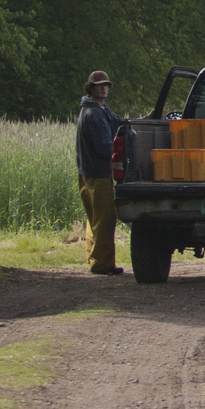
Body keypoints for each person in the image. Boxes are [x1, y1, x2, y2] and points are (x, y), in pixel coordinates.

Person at [74, 70, 125, 275]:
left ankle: (93, 258)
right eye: (99, 85)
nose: (104, 88)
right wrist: (123, 147)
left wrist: (141, 120)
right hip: (98, 174)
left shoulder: (98, 109)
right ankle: (103, 264)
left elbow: (116, 121)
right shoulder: (93, 114)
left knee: (94, 218)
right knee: (105, 219)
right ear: (91, 88)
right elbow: (105, 148)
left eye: (106, 85)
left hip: (86, 172)